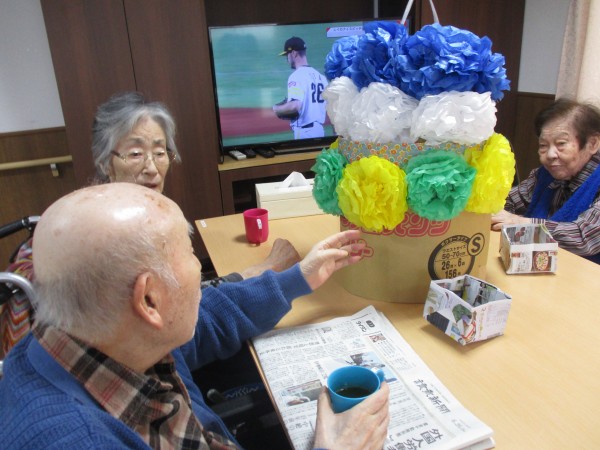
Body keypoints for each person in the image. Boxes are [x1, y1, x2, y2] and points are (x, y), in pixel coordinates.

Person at [0, 183, 390, 449]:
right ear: (150, 300)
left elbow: (206, 319)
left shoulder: (92, 334)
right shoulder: (74, 439)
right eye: (190, 255)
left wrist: (298, 278)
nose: (199, 269)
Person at [491, 98, 600, 263]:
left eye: (561, 143)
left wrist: (521, 223)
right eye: (543, 145)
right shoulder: (545, 175)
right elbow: (508, 201)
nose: (550, 155)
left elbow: (584, 237)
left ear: (592, 143)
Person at [272, 37, 329, 140]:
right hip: (319, 131)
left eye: (287, 55)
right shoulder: (321, 77)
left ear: (294, 53)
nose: (287, 59)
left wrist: (277, 109)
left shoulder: (296, 76)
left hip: (304, 133)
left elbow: (295, 106)